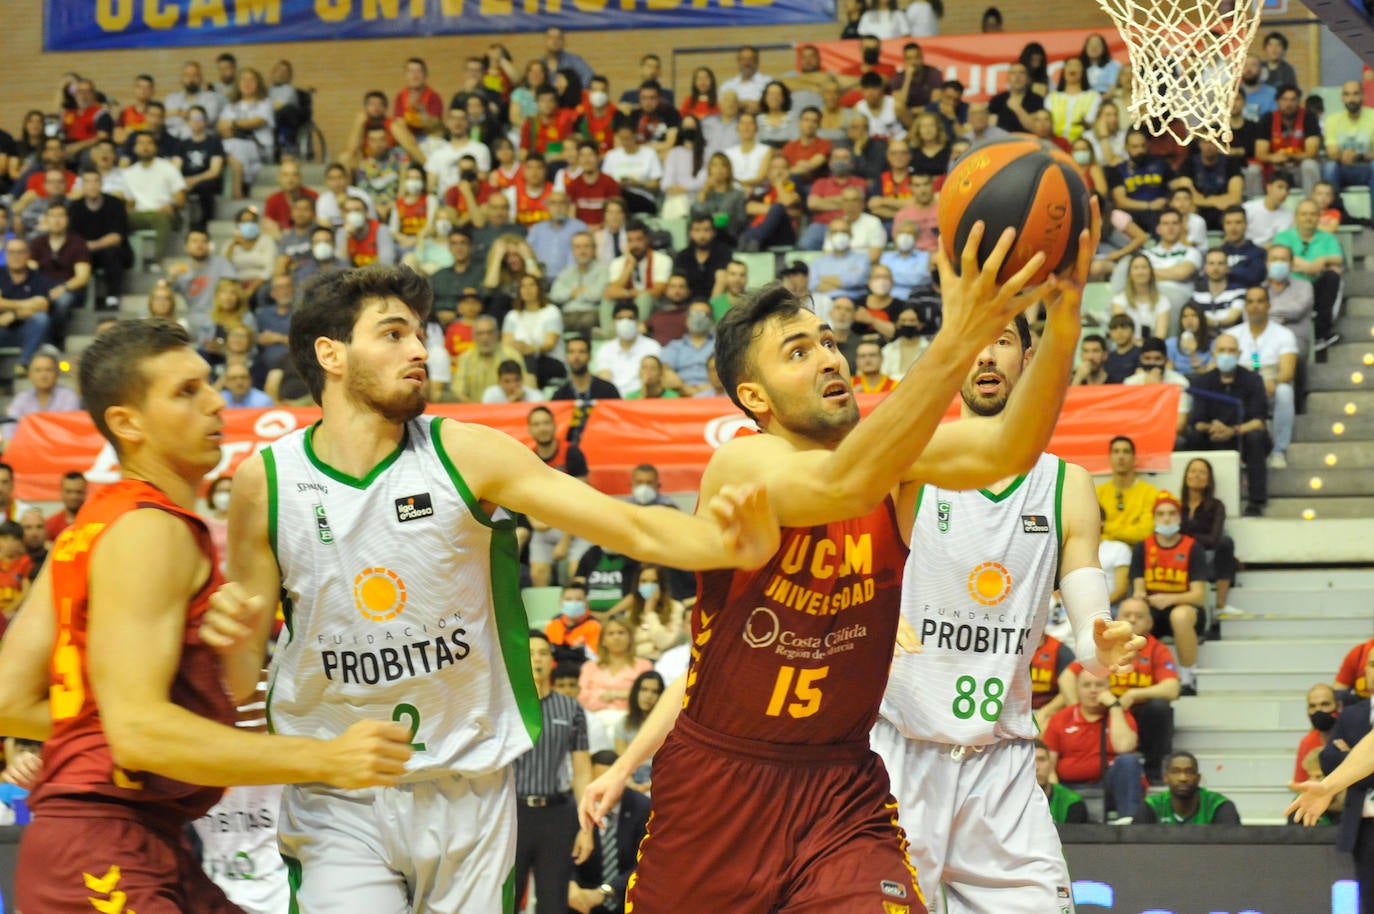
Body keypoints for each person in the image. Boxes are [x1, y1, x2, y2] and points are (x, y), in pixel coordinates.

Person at [207, 265, 779, 914]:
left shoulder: (464, 452)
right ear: (330, 355)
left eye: (420, 334)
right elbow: (237, 677)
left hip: (468, 788)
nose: (420, 350)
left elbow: (627, 524)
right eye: (393, 334)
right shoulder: (266, 483)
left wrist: (730, 548)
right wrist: (227, 635)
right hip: (339, 791)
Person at [580, 215, 1098, 913]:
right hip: (720, 788)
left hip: (840, 784)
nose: (828, 357)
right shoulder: (744, 459)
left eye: (828, 341)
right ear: (754, 398)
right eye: (798, 352)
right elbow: (838, 486)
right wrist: (958, 336)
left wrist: (1064, 317)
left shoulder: (891, 461)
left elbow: (1008, 451)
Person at [0, 319, 418, 914]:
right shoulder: (152, 529)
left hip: (128, 839)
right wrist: (325, 757)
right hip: (102, 846)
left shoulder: (92, 525)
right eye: (185, 392)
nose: (215, 401)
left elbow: (11, 700)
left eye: (208, 383)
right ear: (126, 423)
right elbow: (139, 731)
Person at [874, 289, 1141, 910]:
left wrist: (1101, 645)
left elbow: (1090, 633)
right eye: (973, 343)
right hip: (898, 755)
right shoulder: (909, 463)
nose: (986, 357)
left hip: (1002, 766)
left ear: (1026, 356)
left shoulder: (1067, 485)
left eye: (1002, 342)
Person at [1061, 598, 1180, 782]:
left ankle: (1153, 769)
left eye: (1139, 616)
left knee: (1160, 707)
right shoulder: (1106, 645)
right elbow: (1067, 677)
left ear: (1150, 623)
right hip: (1103, 712)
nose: (1132, 620)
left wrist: (1134, 694)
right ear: (1117, 619)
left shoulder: (1158, 649)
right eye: (1127, 615)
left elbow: (1172, 689)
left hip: (1139, 713)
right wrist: (1078, 707)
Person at [516, 631, 593, 914]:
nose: (537, 658)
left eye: (543, 653)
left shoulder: (571, 708)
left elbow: (582, 770)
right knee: (504, 901)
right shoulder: (506, 706)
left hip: (557, 814)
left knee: (553, 904)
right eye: (530, 652)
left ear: (552, 661)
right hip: (514, 813)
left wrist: (585, 828)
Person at [1119, 492, 1206, 694]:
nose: (1166, 518)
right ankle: (1130, 676)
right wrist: (1142, 599)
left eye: (1172, 513)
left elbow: (1198, 595)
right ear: (1154, 518)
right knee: (1133, 613)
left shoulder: (1193, 547)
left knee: (1180, 616)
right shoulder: (1143, 547)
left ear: (1180, 517)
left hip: (1187, 609)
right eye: (1161, 514)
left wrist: (1170, 599)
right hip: (1152, 608)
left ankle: (1187, 678)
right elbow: (1139, 589)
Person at [1180, 332, 1273, 516]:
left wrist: (1233, 430)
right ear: (1214, 354)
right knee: (1192, 437)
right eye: (1222, 350)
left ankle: (1256, 502)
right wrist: (1211, 427)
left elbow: (1259, 421)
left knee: (1257, 437)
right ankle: (1194, 501)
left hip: (1243, 437)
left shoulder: (1253, 380)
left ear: (1238, 354)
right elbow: (1197, 422)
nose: (1226, 355)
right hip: (1212, 437)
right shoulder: (1203, 381)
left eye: (1231, 351)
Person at [1042, 669, 1144, 821]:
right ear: (1077, 689)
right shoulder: (1061, 718)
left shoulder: (1121, 714)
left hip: (1110, 785)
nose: (1093, 690)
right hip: (1068, 787)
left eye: (1099, 685)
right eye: (1087, 685)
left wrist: (1115, 707)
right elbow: (1049, 765)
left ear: (1108, 688)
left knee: (1128, 761)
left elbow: (1124, 747)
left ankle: (1129, 823)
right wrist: (1057, 794)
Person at [569, 749, 651, 914]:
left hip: (628, 897)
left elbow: (647, 863)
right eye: (598, 780)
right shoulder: (575, 806)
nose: (604, 789)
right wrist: (571, 885)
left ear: (624, 780)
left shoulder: (643, 807)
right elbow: (559, 854)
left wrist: (606, 891)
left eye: (611, 782)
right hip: (580, 899)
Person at [1180, 456, 1239, 616]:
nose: (1197, 475)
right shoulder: (1177, 506)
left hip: (1208, 557)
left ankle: (1220, 604)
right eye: (1193, 471)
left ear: (1209, 480)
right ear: (1186, 476)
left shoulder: (1216, 506)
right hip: (1181, 557)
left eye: (1202, 472)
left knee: (1226, 543)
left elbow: (1214, 539)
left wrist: (1187, 537)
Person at [1136, 751, 1241, 824]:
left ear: (1198, 778)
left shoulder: (1218, 806)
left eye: (1189, 772)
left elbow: (1231, 850)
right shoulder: (1151, 806)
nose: (1183, 778)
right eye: (1176, 772)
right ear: (1166, 778)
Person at [0, 237, 55, 372]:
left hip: (26, 332)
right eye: (12, 252)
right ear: (6, 255)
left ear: (27, 255)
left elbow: (42, 306)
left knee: (41, 319)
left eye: (20, 252)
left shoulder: (37, 277)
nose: (16, 256)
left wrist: (14, 313)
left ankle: (24, 363)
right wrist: (28, 304)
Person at [1255, 85, 1321, 196]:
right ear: (1277, 101)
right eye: (1284, 100)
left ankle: (1311, 206)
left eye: (1293, 100)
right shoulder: (1268, 118)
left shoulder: (1309, 117)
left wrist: (1289, 156)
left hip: (1299, 168)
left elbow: (1312, 152)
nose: (1288, 104)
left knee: (1310, 165)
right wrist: (1274, 157)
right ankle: (1257, 207)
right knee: (1253, 170)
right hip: (1275, 168)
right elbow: (1260, 153)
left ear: (1299, 101)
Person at [1097, 435, 1159, 547]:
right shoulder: (1097, 493)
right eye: (1116, 451)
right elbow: (1091, 530)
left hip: (1136, 556)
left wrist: (1106, 527)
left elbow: (1144, 533)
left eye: (1126, 452)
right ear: (1109, 458)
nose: (1121, 456)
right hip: (1102, 554)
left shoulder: (1150, 493)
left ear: (1134, 458)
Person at [1293, 683, 1342, 791]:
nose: (1318, 710)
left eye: (1325, 704)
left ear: (1338, 706)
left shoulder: (1352, 737)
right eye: (1312, 706)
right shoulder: (1307, 742)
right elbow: (1300, 784)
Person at [45, 471, 87, 542]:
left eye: (78, 492)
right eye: (69, 491)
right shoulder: (51, 526)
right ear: (61, 492)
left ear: (85, 492)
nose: (73, 497)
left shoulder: (95, 523)